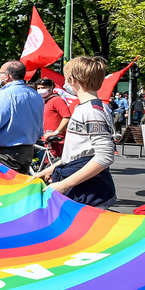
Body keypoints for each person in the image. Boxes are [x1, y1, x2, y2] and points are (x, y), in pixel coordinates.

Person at [37, 55, 116, 206]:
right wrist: (48, 171)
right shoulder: (89, 108)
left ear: (72, 80)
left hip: (87, 193)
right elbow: (77, 153)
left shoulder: (91, 111)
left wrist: (64, 184)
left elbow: (105, 156)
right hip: (82, 187)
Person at [37, 76, 71, 159]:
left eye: (43, 88)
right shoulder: (45, 102)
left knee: (55, 164)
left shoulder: (57, 100)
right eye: (39, 88)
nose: (41, 90)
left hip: (57, 142)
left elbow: (67, 117)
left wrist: (56, 132)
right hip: (46, 140)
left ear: (51, 88)